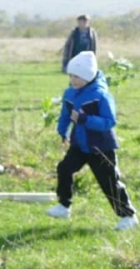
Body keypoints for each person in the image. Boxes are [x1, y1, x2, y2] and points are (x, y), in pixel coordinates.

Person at [46, 51, 138, 231]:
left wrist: (84, 119)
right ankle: (64, 206)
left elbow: (109, 121)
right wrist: (62, 131)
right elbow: (65, 115)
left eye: (77, 76)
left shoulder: (101, 95)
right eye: (71, 75)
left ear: (88, 76)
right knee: (64, 168)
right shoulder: (70, 93)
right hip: (79, 145)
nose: (72, 80)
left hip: (100, 147)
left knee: (109, 182)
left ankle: (128, 216)